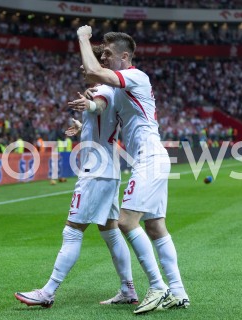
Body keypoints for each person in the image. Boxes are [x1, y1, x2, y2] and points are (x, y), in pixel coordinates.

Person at [15, 45, 138, 308]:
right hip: (108, 170)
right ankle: (128, 289)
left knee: (72, 231)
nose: (83, 67)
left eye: (87, 63)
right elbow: (104, 121)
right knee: (110, 233)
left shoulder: (103, 90)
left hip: (95, 173)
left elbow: (99, 105)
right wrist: (83, 125)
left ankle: (47, 292)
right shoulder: (113, 90)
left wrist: (90, 105)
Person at [76, 26, 189, 314]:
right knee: (155, 226)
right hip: (152, 156)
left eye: (108, 54)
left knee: (126, 221)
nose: (104, 58)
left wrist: (83, 39)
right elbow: (99, 92)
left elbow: (94, 74)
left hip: (150, 157)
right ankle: (177, 291)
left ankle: (158, 287)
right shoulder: (122, 85)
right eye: (102, 54)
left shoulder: (136, 76)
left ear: (125, 57)